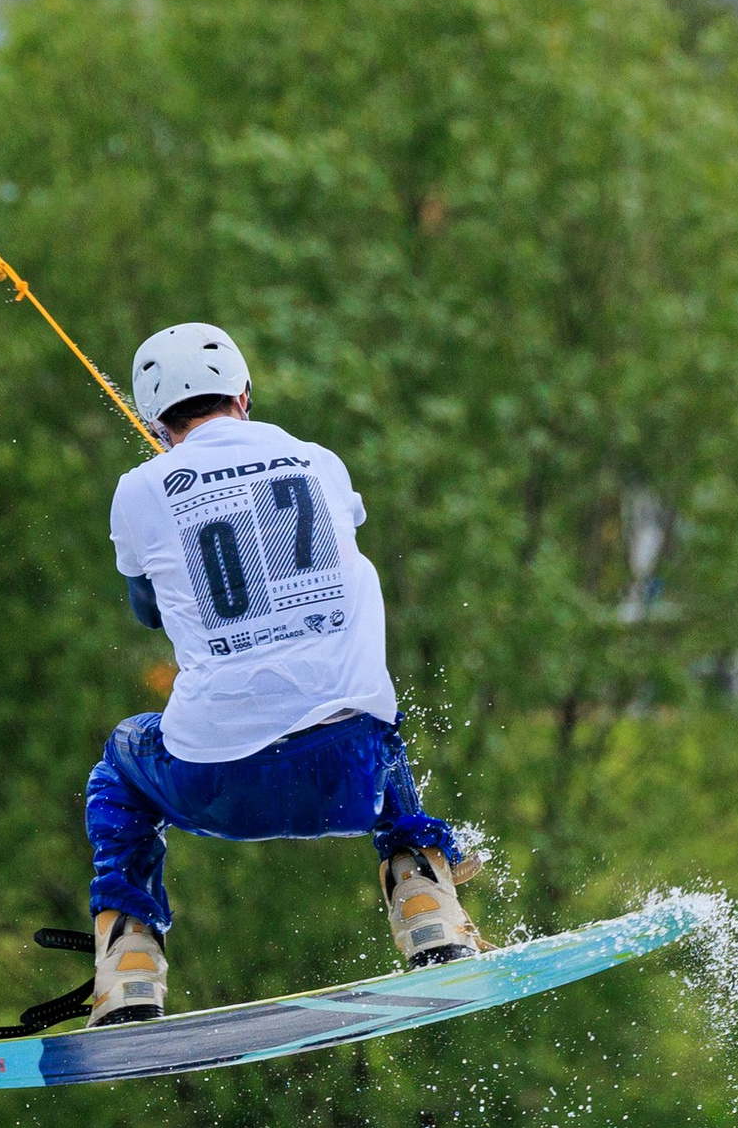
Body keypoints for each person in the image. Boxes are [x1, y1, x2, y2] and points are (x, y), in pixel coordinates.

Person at [83, 322, 480, 1024]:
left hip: (216, 779)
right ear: (245, 394)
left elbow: (146, 610)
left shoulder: (138, 489)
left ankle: (130, 959)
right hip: (350, 778)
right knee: (370, 709)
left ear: (154, 421)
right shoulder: (320, 460)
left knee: (120, 764)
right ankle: (426, 903)